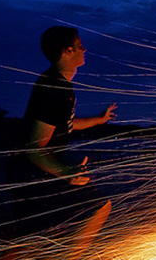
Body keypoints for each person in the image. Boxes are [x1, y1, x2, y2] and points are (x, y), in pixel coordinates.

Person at [23, 26, 117, 185]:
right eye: (80, 45)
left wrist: (100, 119)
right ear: (68, 51)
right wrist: (66, 172)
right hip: (34, 178)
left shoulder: (61, 85)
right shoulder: (55, 87)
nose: (84, 49)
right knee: (98, 207)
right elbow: (33, 149)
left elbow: (67, 124)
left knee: (100, 206)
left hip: (47, 172)